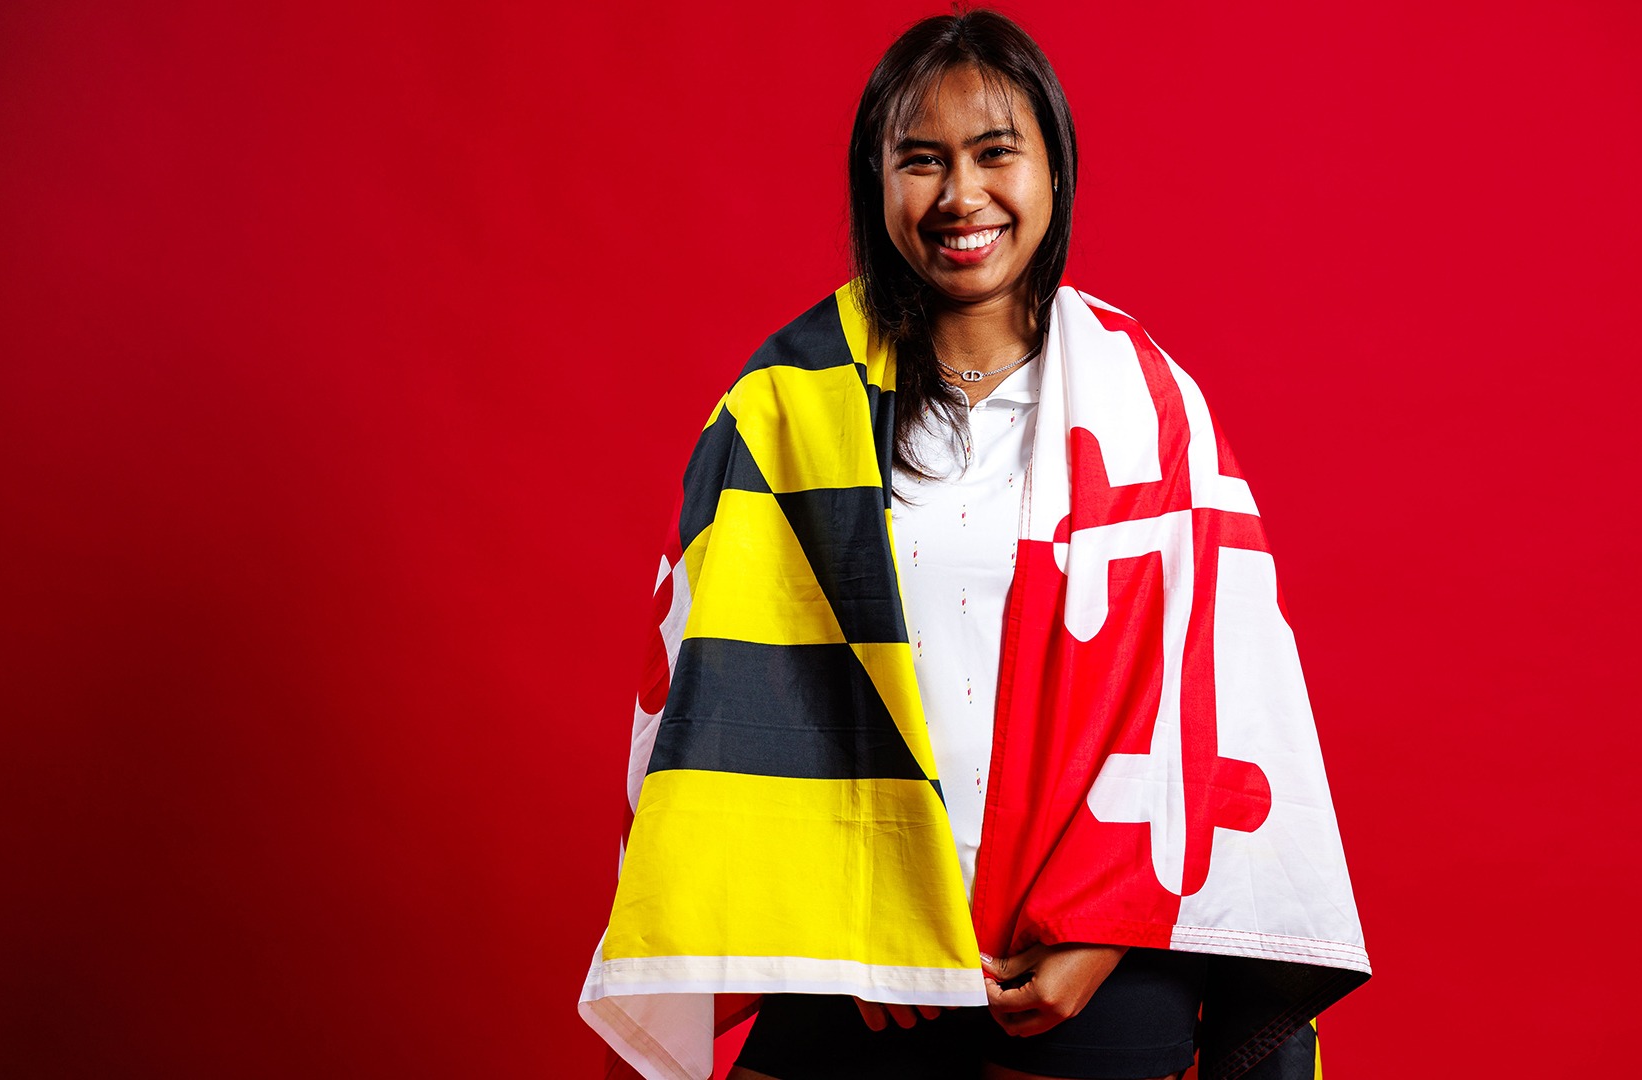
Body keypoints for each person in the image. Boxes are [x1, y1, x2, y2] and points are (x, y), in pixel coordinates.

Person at [580, 11, 1368, 1080]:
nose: (962, 197)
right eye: (922, 160)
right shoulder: (784, 412)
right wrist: (860, 925)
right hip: (852, 950)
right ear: (877, 180)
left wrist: (1110, 927)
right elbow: (729, 698)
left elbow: (1214, 698)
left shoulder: (1147, 405)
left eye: (997, 153)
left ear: (1054, 169)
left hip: (1092, 951)